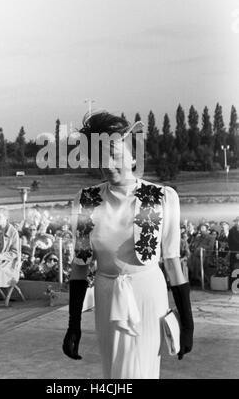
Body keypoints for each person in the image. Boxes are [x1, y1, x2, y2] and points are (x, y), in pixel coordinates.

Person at [62, 111, 194, 379]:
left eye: (115, 154)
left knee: (140, 371)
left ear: (134, 155)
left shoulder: (162, 197)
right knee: (114, 372)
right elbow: (80, 266)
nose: (108, 164)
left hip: (148, 295)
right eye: (100, 156)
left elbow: (171, 260)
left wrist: (188, 323)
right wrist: (73, 324)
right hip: (106, 293)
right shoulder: (86, 199)